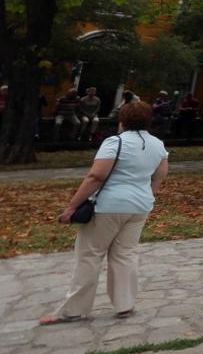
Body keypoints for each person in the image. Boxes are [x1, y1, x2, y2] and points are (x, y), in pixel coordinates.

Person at [39, 100, 170, 325]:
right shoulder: (158, 145)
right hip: (140, 206)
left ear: (122, 120)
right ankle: (125, 304)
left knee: (90, 255)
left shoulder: (115, 142)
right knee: (125, 254)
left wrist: (72, 206)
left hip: (108, 205)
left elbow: (96, 176)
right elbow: (159, 176)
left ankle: (73, 310)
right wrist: (147, 196)